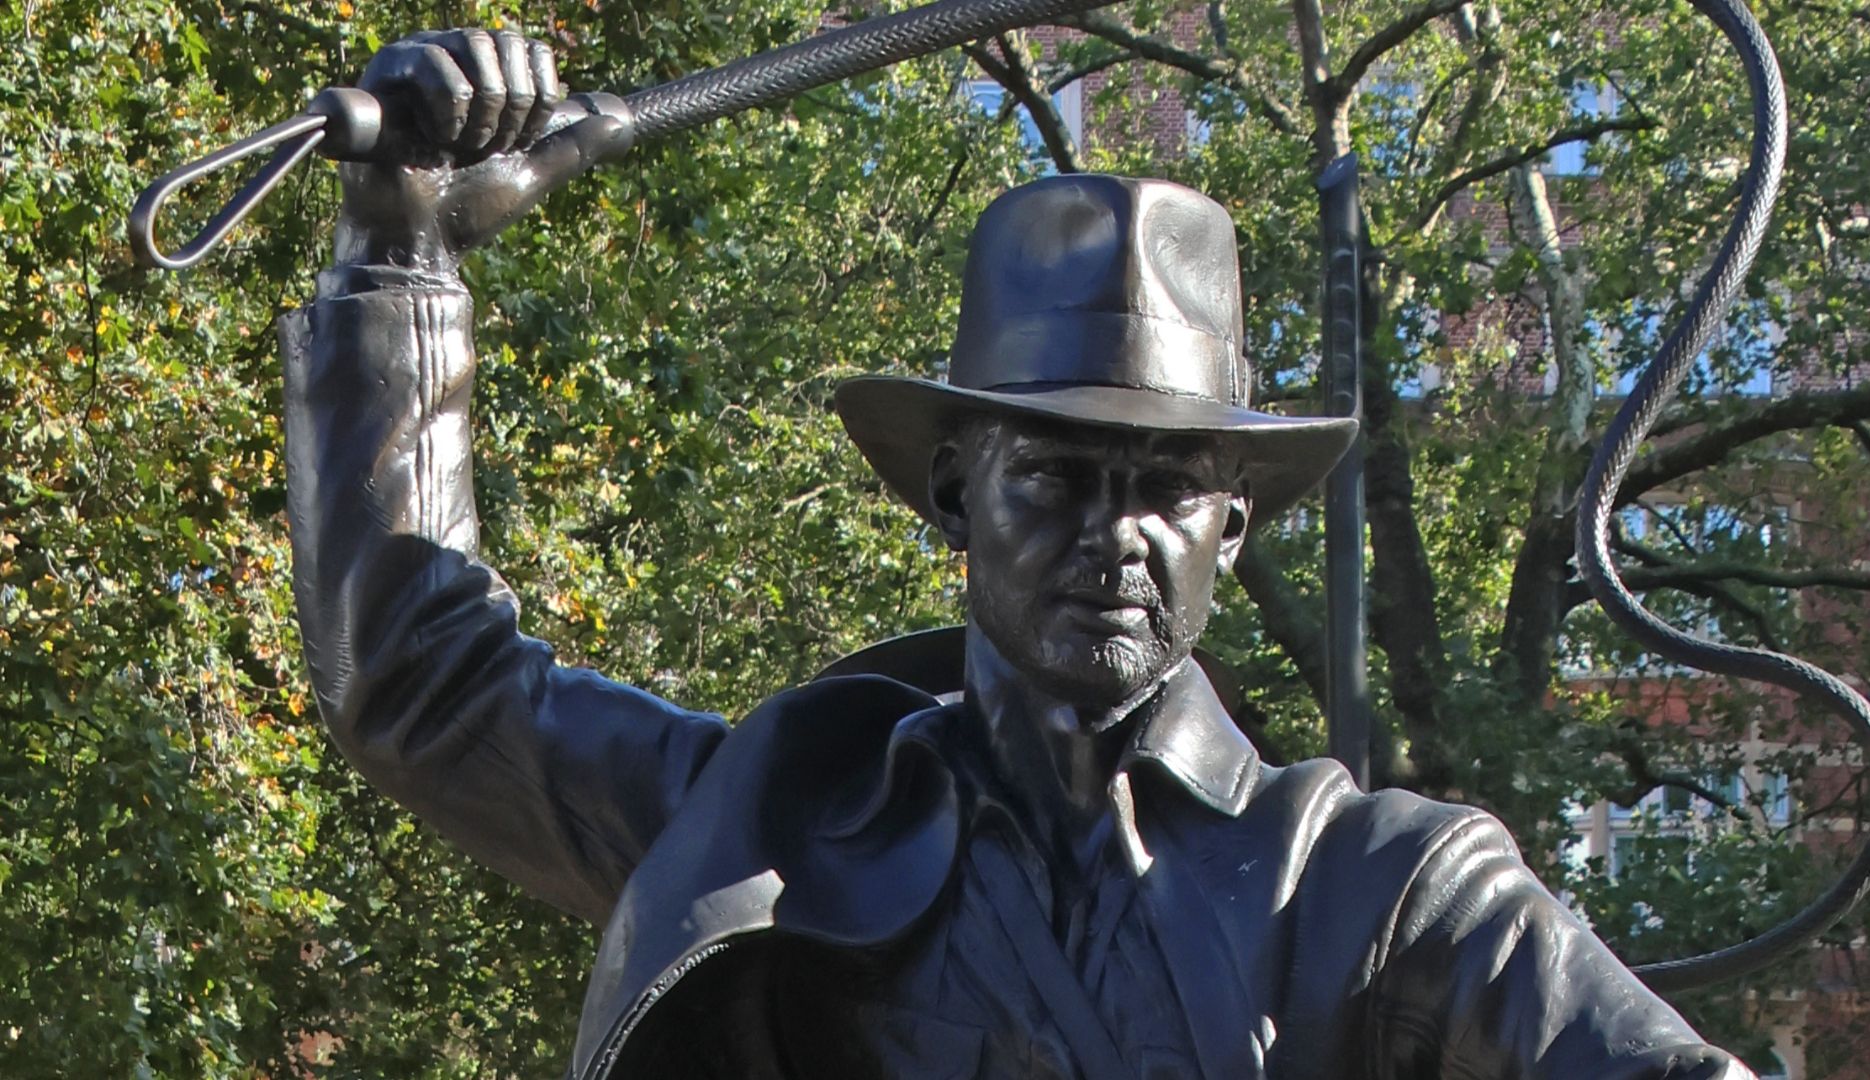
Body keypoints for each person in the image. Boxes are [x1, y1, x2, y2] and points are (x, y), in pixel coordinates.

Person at [279, 28, 1756, 1080]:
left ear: (1230, 530)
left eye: (1168, 487)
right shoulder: (776, 825)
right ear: (953, 492)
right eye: (1052, 476)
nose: (1113, 535)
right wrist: (402, 255)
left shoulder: (1377, 890)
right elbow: (422, 679)